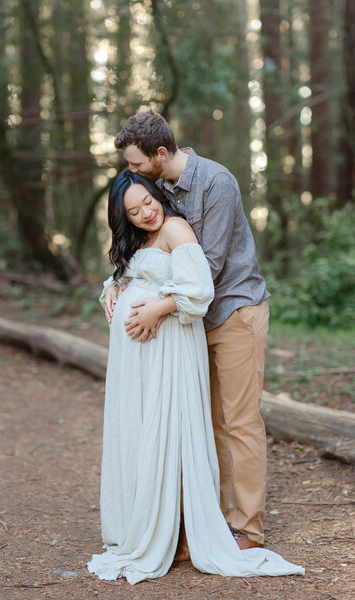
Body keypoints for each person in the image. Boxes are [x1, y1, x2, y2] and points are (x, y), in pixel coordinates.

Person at [87, 170, 304, 584]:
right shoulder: (142, 237)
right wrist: (115, 286)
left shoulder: (175, 225)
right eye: (133, 211)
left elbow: (199, 286)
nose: (146, 213)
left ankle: (237, 527)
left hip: (176, 345)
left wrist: (155, 309)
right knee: (147, 430)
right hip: (143, 361)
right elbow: (137, 273)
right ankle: (163, 522)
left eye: (148, 202)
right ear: (124, 217)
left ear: (156, 194)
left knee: (200, 425)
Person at [105, 111, 270, 553]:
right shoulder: (158, 189)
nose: (132, 172)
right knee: (200, 423)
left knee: (238, 422)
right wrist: (115, 284)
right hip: (190, 325)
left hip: (233, 311)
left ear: (160, 154)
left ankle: (247, 528)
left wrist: (159, 307)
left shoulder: (216, 183)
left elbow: (206, 269)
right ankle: (204, 521)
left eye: (137, 164)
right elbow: (144, 252)